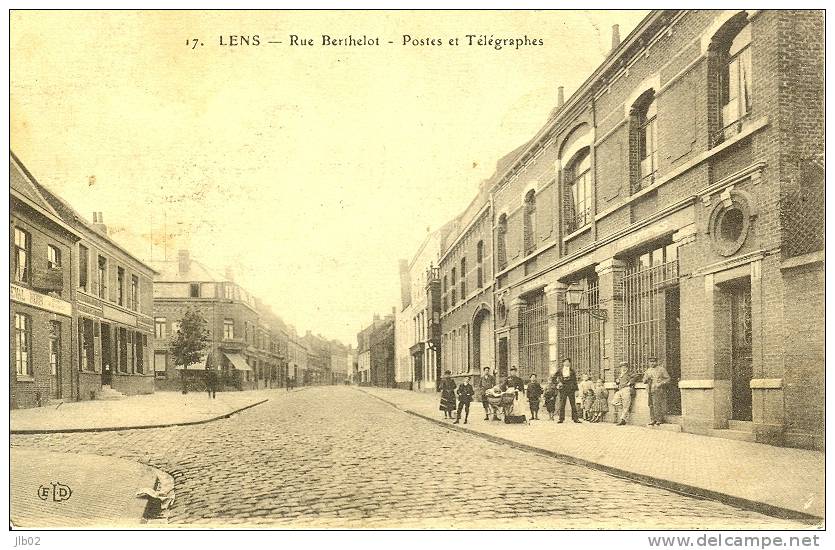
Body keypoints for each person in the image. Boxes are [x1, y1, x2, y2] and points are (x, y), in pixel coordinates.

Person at [643, 357, 671, 426]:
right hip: (650, 390)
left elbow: (668, 379)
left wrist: (661, 383)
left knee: (657, 404)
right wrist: (646, 379)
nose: (652, 363)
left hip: (658, 389)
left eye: (653, 362)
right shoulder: (648, 370)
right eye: (650, 362)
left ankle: (659, 419)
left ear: (656, 362)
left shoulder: (661, 369)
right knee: (651, 405)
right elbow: (643, 380)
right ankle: (653, 419)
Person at [554, 358, 581, 423]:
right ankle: (561, 419)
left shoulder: (572, 371)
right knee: (562, 404)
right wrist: (558, 383)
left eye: (568, 362)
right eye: (565, 362)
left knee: (573, 404)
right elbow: (553, 378)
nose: (567, 363)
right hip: (563, 388)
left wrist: (577, 390)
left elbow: (575, 381)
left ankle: (575, 419)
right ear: (563, 363)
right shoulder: (560, 370)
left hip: (571, 388)